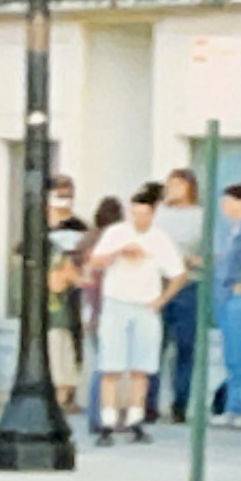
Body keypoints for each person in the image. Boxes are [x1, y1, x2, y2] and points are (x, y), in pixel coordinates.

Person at [82, 184, 187, 442]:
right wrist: (119, 251)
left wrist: (162, 299)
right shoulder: (117, 233)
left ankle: (135, 420)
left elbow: (178, 273)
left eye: (144, 214)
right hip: (117, 303)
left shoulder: (159, 238)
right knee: (112, 366)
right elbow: (95, 261)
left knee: (142, 367)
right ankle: (108, 420)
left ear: (152, 215)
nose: (139, 219)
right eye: (135, 214)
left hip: (145, 305)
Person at [153, 169, 207, 424]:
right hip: (159, 284)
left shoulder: (201, 216)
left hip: (189, 284)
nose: (173, 189)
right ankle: (148, 403)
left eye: (179, 185)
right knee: (154, 345)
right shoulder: (158, 215)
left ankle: (180, 403)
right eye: (170, 184)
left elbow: (211, 254)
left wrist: (195, 261)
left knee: (185, 347)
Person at [211, 182, 241, 429]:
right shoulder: (229, 229)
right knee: (230, 353)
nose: (224, 207)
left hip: (240, 296)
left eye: (228, 201)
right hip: (224, 295)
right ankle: (232, 405)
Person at [43, 176, 91, 408]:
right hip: (47, 293)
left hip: (71, 293)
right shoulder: (40, 227)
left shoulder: (79, 227)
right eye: (58, 195)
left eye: (67, 195)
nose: (64, 201)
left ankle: (69, 392)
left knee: (70, 339)